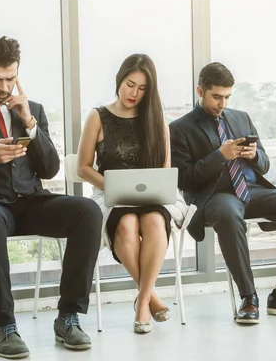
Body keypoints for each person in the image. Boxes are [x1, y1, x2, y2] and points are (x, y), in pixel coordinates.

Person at [0, 36, 102, 359]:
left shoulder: (32, 109)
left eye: (11, 78)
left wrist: (29, 122)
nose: (4, 86)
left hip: (29, 201)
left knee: (89, 211)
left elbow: (51, 167)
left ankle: (68, 316)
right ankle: (4, 325)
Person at [169, 62, 276, 324]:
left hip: (251, 191)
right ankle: (248, 297)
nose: (223, 103)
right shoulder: (180, 128)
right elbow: (184, 179)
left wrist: (254, 156)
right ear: (200, 90)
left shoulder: (241, 118)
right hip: (213, 196)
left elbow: (265, 164)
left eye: (227, 96)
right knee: (230, 215)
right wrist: (219, 156)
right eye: (216, 96)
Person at [76, 54, 195, 334]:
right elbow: (82, 168)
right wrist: (113, 186)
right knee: (127, 224)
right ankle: (151, 297)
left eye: (142, 89)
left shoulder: (156, 119)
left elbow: (165, 168)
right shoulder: (98, 116)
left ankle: (141, 302)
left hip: (153, 197)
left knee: (154, 222)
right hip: (112, 196)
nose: (134, 93)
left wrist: (149, 188)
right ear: (120, 80)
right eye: (130, 84)